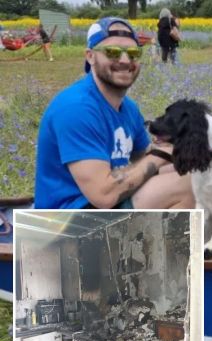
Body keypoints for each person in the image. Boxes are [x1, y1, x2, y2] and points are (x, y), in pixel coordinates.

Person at [34, 17, 194, 209]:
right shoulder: (76, 108)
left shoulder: (128, 108)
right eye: (113, 52)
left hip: (98, 210)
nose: (125, 60)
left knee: (195, 175)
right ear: (90, 56)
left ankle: (172, 237)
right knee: (186, 186)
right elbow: (104, 196)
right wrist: (160, 155)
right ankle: (174, 238)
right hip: (64, 223)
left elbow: (142, 158)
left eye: (133, 53)